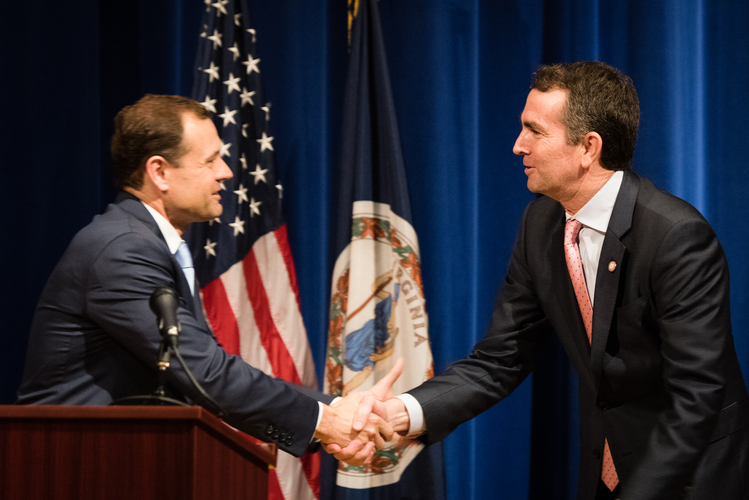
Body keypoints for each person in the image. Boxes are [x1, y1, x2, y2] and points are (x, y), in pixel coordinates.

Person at [352, 62, 749, 499]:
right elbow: (500, 359)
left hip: (691, 476)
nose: (518, 145)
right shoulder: (541, 223)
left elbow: (696, 398)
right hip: (605, 468)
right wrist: (403, 412)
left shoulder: (676, 237)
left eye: (534, 131)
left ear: (588, 148)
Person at [16, 94, 394, 463]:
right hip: (66, 465)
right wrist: (328, 420)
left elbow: (197, 377)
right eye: (211, 159)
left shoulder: (151, 242)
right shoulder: (123, 248)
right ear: (159, 172)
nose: (225, 172)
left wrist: (338, 409)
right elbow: (204, 372)